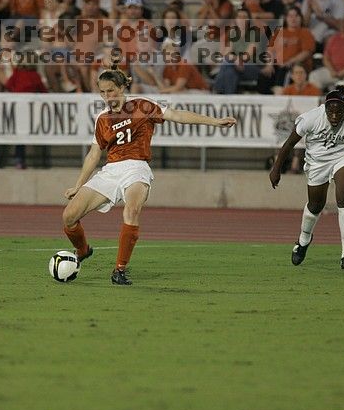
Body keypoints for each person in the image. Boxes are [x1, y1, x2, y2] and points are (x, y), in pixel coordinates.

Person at [62, 62, 236, 285]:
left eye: (111, 91)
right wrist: (79, 185)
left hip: (137, 168)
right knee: (69, 217)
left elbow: (177, 115)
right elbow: (94, 154)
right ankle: (83, 250)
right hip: (110, 171)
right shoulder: (103, 118)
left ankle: (119, 270)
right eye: (102, 92)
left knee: (132, 210)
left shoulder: (142, 106)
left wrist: (215, 122)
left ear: (122, 88)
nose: (107, 96)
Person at [269, 85, 344, 270]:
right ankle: (304, 239)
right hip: (317, 162)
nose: (334, 116)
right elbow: (289, 143)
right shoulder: (312, 118)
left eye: (338, 112)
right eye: (330, 112)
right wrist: (276, 169)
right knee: (315, 205)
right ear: (324, 109)